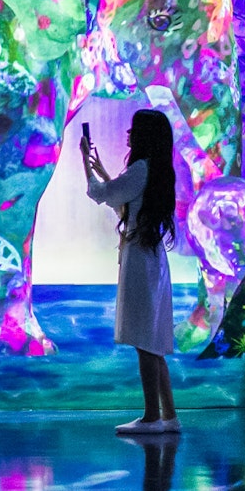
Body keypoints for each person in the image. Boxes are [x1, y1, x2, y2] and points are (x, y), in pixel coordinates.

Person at [80, 109, 179, 435]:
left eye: (133, 130)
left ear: (144, 136)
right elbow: (123, 200)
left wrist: (85, 163)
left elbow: (102, 195)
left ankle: (152, 418)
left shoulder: (140, 169)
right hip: (151, 257)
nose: (128, 135)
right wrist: (105, 172)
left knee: (144, 341)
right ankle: (168, 415)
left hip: (140, 258)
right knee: (153, 342)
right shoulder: (156, 171)